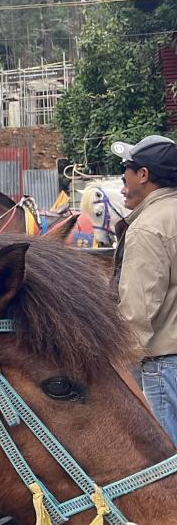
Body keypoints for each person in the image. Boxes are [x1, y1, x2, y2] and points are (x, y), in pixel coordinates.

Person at [111, 134, 177, 443]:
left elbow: (137, 311)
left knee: (167, 459)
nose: (123, 178)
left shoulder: (148, 227)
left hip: (165, 364)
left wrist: (116, 365)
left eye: (126, 169)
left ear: (143, 174)